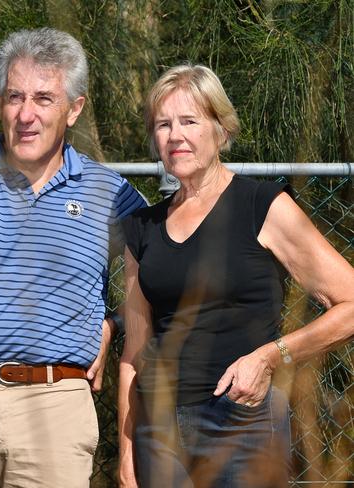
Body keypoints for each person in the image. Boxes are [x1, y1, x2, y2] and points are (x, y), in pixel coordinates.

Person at [0, 27, 148, 487]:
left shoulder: (110, 192)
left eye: (43, 98)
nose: (25, 114)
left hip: (55, 406)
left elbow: (161, 276)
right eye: (14, 96)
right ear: (0, 101)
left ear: (73, 109)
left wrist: (113, 324)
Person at [118, 64, 354, 488]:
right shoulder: (141, 227)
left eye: (189, 121)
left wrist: (270, 357)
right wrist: (128, 452)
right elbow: (133, 355)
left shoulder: (262, 205)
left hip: (240, 422)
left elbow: (350, 304)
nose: (175, 136)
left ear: (221, 130)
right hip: (158, 432)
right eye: (163, 124)